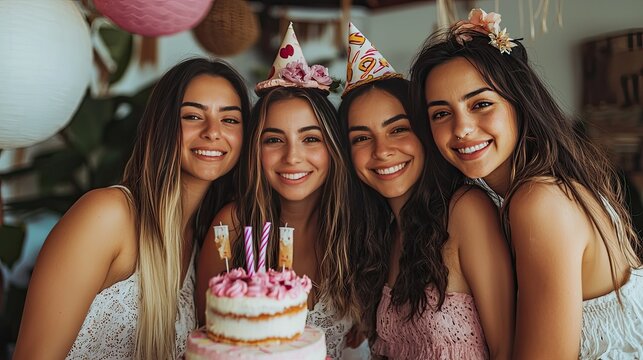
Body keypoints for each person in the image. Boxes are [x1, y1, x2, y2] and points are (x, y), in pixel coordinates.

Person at [410, 9, 643, 359]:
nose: (461, 129)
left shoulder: (539, 201)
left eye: (481, 104)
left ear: (519, 103)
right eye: (441, 113)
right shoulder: (502, 195)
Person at [13, 58, 251, 359]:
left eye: (230, 119)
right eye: (192, 116)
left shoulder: (204, 243)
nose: (213, 132)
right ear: (161, 124)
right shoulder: (107, 216)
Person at [338, 23, 514, 359]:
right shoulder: (380, 237)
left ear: (425, 132)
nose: (382, 150)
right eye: (361, 138)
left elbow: (506, 349)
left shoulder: (465, 211)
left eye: (398, 129)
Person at [196, 23, 367, 360]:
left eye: (310, 138)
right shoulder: (231, 226)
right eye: (273, 139)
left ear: (333, 148)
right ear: (254, 150)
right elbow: (209, 344)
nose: (292, 157)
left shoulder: (360, 231)